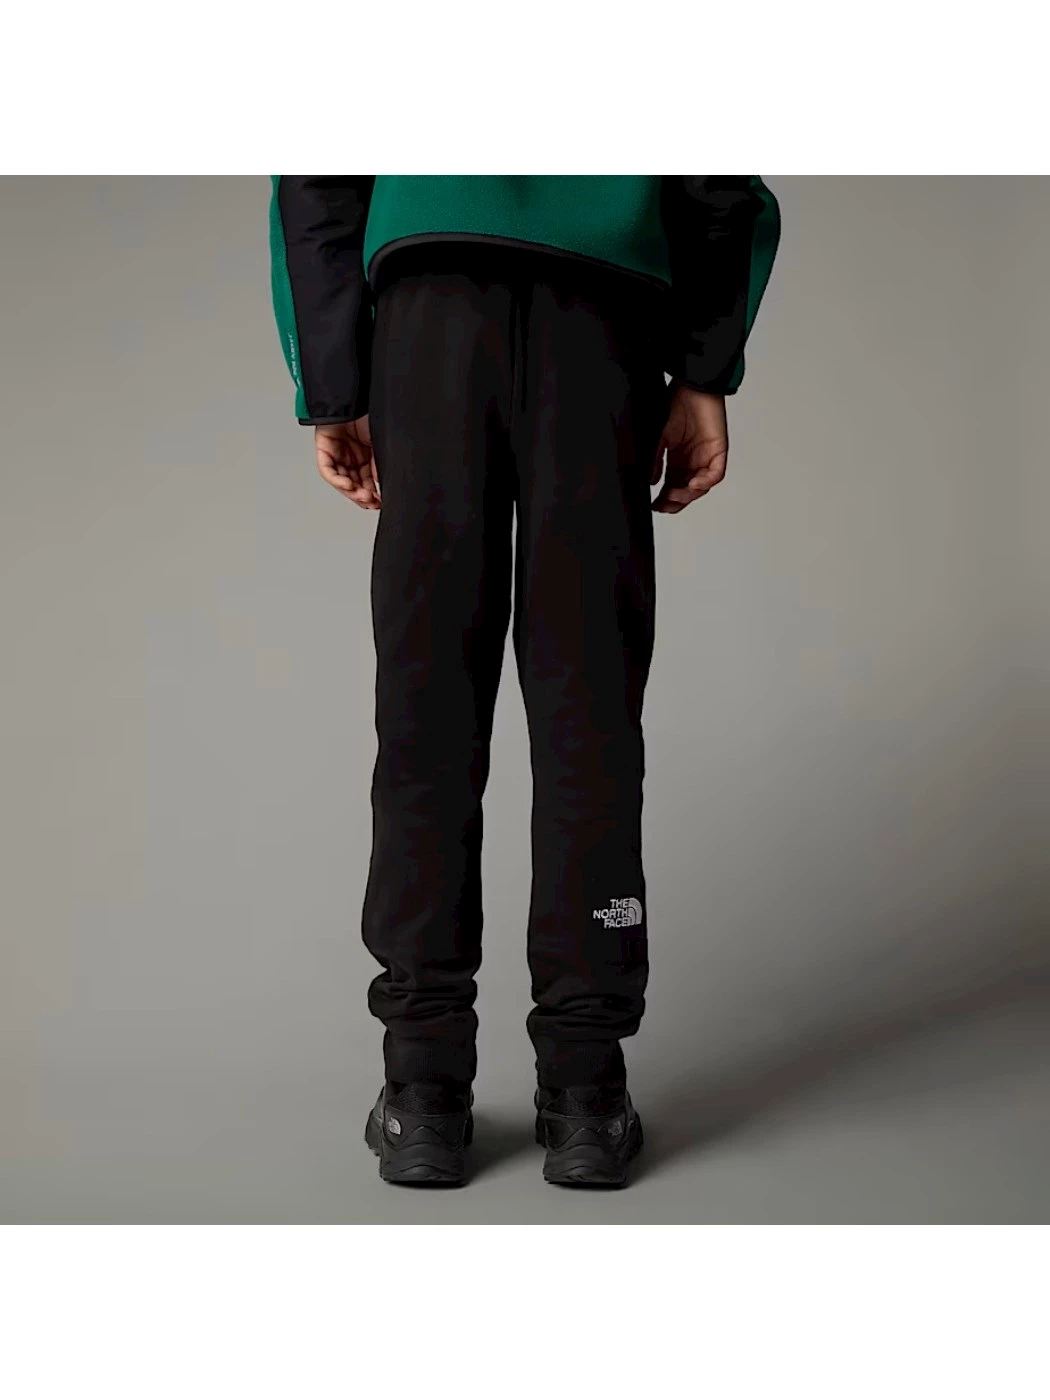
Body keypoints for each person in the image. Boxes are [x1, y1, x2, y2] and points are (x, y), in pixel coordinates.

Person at [269, 176, 779, 1187]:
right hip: (604, 315)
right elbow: (717, 168)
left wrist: (335, 383)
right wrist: (703, 365)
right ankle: (586, 1093)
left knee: (426, 707)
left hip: (429, 309)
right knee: (589, 708)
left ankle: (423, 1092)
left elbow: (318, 173)